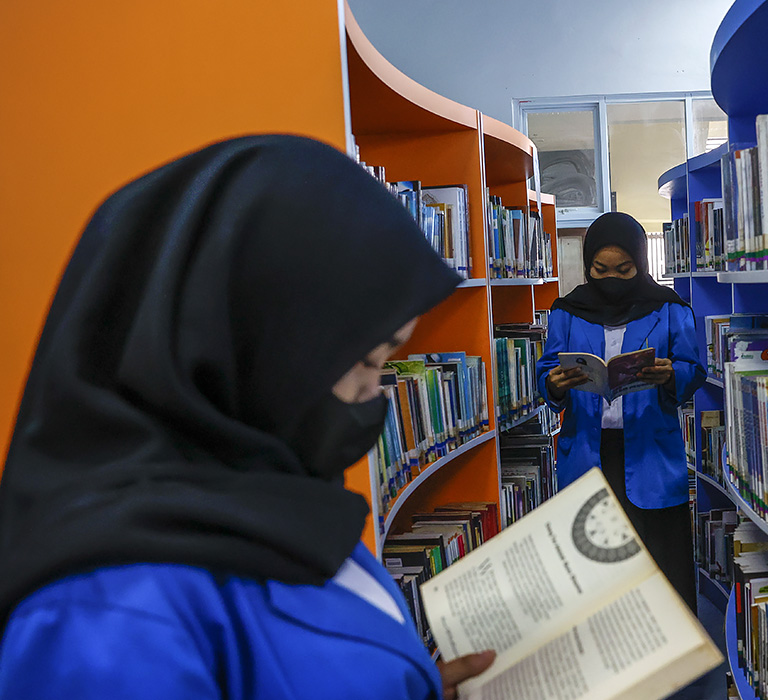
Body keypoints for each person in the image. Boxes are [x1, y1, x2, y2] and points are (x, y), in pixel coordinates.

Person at [0, 135, 494, 699]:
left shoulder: (270, 498)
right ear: (258, 342)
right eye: (365, 360)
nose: (374, 393)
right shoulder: (104, 617)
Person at [535, 212, 705, 612]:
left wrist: (671, 375)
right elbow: (546, 371)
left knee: (658, 566)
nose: (612, 278)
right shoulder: (566, 311)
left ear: (640, 263)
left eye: (624, 270)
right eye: (600, 270)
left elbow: (693, 370)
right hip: (587, 453)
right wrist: (554, 383)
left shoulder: (670, 309)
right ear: (588, 265)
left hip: (650, 455)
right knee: (590, 571)